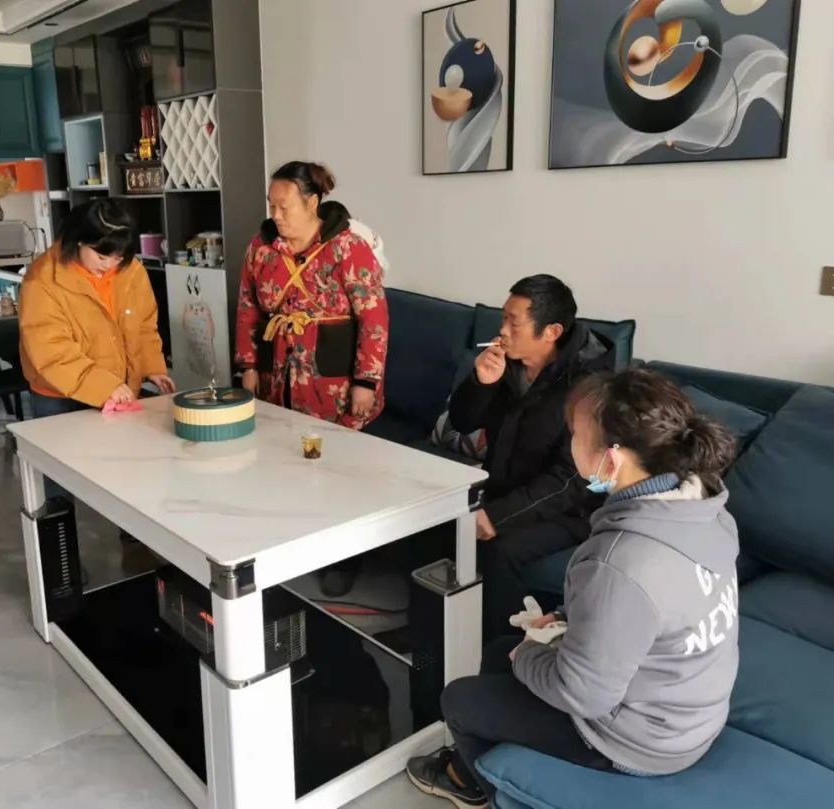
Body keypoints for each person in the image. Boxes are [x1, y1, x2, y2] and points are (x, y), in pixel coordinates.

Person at [407, 368, 741, 807]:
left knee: (461, 698)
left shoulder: (620, 560)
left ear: (612, 461)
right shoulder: (706, 510)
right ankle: (482, 760)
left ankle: (478, 787)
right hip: (690, 715)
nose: (570, 445)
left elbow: (583, 693)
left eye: (576, 435)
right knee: (497, 652)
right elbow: (658, 608)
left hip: (640, 741)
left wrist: (527, 654)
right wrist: (568, 619)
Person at [448, 275, 615, 638]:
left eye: (514, 322)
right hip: (505, 485)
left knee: (499, 549)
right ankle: (440, 630)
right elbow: (462, 422)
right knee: (437, 520)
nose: (502, 330)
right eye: (503, 318)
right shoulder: (507, 361)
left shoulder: (589, 384)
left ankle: (507, 647)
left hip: (571, 509)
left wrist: (499, 515)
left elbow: (571, 479)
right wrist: (480, 383)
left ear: (551, 331)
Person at [235, 161, 389, 430]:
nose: (276, 215)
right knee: (279, 443)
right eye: (272, 206)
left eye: (285, 207)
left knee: (331, 449)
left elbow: (374, 319)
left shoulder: (348, 248)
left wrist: (366, 382)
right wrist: (248, 367)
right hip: (276, 378)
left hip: (333, 384)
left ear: (312, 203)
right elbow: (247, 309)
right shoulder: (260, 249)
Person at [20, 198, 175, 419]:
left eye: (118, 258)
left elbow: (143, 326)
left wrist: (152, 368)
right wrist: (104, 386)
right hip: (59, 396)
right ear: (79, 241)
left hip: (117, 388)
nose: (108, 265)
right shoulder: (43, 279)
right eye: (101, 257)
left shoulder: (131, 271)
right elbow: (52, 350)